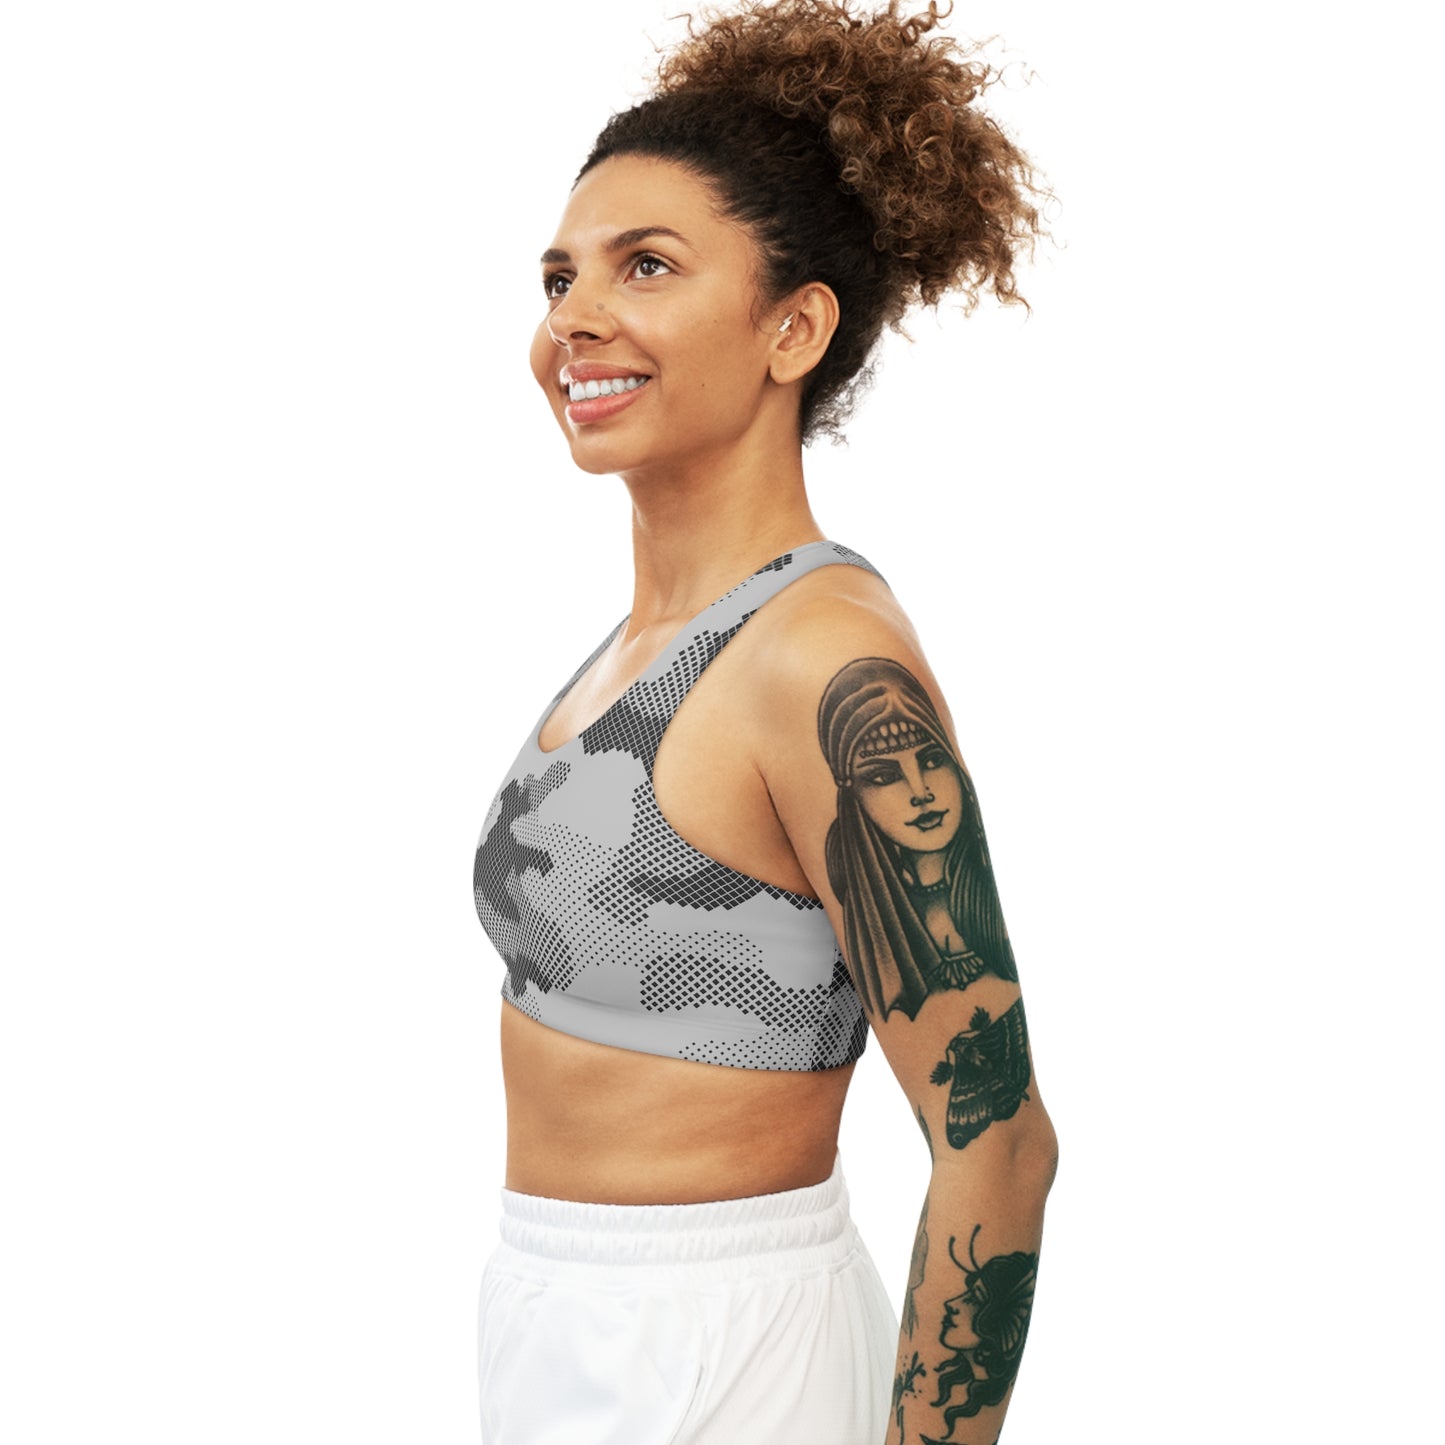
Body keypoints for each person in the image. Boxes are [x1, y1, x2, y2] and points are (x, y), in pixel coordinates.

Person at [472, 2, 1058, 1440]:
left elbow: (997, 1144)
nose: (572, 318)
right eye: (559, 276)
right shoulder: (637, 650)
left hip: (726, 1344)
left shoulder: (822, 659)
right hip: (556, 1314)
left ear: (793, 327)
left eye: (646, 266)